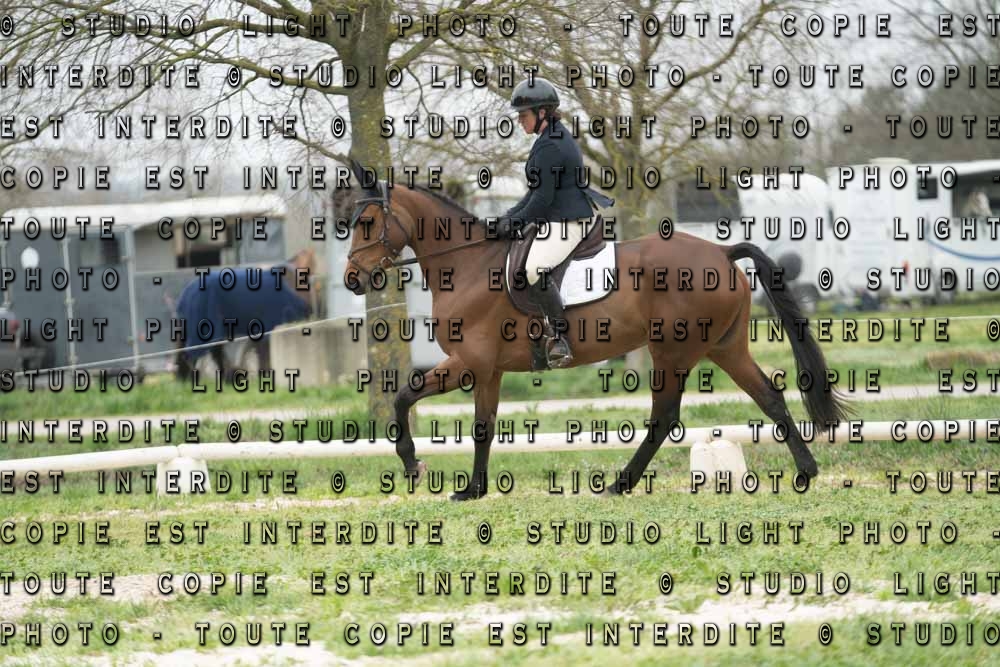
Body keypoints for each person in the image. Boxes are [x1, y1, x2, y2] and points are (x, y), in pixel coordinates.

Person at [498, 76, 595, 368]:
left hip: (569, 221)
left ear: (542, 112)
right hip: (558, 217)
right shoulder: (549, 138)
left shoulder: (551, 145)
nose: (520, 121)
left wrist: (513, 223)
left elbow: (541, 200)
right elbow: (535, 193)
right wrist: (509, 218)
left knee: (533, 269)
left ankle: (560, 339)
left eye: (523, 115)